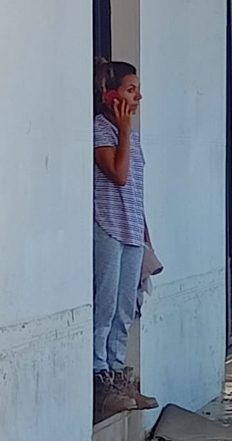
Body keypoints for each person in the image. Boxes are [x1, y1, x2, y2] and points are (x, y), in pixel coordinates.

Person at [93, 59, 158, 420]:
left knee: (125, 308)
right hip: (108, 226)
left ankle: (118, 375)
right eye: (131, 90)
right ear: (111, 95)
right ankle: (99, 377)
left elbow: (135, 186)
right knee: (104, 305)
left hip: (133, 229)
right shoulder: (102, 131)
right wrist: (123, 128)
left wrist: (146, 233)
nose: (138, 98)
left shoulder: (130, 137)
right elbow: (118, 175)